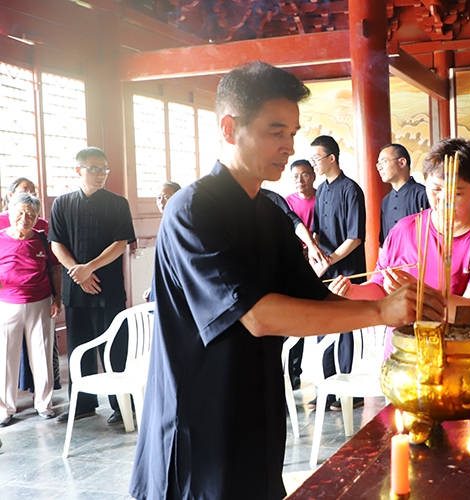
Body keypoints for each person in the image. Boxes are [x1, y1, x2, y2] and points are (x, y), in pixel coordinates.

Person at [129, 61, 444, 500]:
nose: (287, 146)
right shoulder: (194, 209)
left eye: (292, 133)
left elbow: (318, 299)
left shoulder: (271, 210)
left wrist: (395, 297)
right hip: (198, 420)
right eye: (275, 132)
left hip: (258, 412)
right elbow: (256, 316)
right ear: (228, 127)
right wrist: (378, 312)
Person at [329, 137, 470, 358]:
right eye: (436, 189)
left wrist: (419, 293)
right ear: (425, 180)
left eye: (456, 193)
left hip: (461, 358)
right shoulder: (404, 230)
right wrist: (354, 292)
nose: (443, 200)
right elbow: (381, 287)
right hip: (404, 354)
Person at [50, 147, 136, 425]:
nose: (100, 175)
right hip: (75, 288)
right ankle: (83, 403)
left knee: (114, 347)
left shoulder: (117, 203)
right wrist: (78, 273)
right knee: (79, 348)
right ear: (78, 170)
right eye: (94, 169)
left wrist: (90, 269)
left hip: (106, 286)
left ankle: (122, 405)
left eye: (104, 169)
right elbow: (56, 243)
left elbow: (120, 243)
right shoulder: (61, 204)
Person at [310, 134, 366, 410]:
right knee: (323, 326)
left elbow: (355, 237)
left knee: (344, 328)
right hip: (326, 269)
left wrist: (329, 259)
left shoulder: (351, 189)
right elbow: (317, 231)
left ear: (331, 158)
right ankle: (328, 388)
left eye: (316, 158)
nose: (314, 164)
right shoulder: (321, 190)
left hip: (347, 270)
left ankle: (349, 391)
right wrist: (313, 253)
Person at [0, 194, 62, 426]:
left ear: (37, 218)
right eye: (20, 212)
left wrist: (58, 298)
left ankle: (44, 404)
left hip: (41, 302)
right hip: (7, 304)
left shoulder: (43, 239)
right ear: (10, 212)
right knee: (5, 357)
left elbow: (55, 270)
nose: (24, 219)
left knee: (42, 354)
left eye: (31, 215)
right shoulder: (0, 239)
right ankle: (5, 409)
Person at [377, 143, 429, 246]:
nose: (379, 167)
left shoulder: (423, 194)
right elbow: (383, 243)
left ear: (401, 162)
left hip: (418, 260)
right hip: (392, 261)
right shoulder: (386, 201)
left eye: (384, 162)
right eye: (378, 164)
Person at [143, 182, 182, 302]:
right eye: (158, 198)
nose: (161, 201)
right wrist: (154, 287)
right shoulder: (164, 222)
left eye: (165, 197)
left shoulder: (180, 222)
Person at [285, 159, 316, 229]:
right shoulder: (287, 202)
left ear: (313, 177)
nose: (300, 180)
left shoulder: (323, 199)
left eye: (305, 175)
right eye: (295, 177)